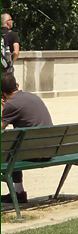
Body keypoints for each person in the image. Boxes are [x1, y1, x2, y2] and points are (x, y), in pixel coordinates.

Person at [1, 74, 53, 205]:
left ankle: (18, 193)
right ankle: (18, 193)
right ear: (17, 86)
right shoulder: (32, 96)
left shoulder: (11, 104)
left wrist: (3, 108)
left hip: (34, 153)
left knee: (9, 151)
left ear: (2, 92)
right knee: (14, 147)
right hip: (51, 150)